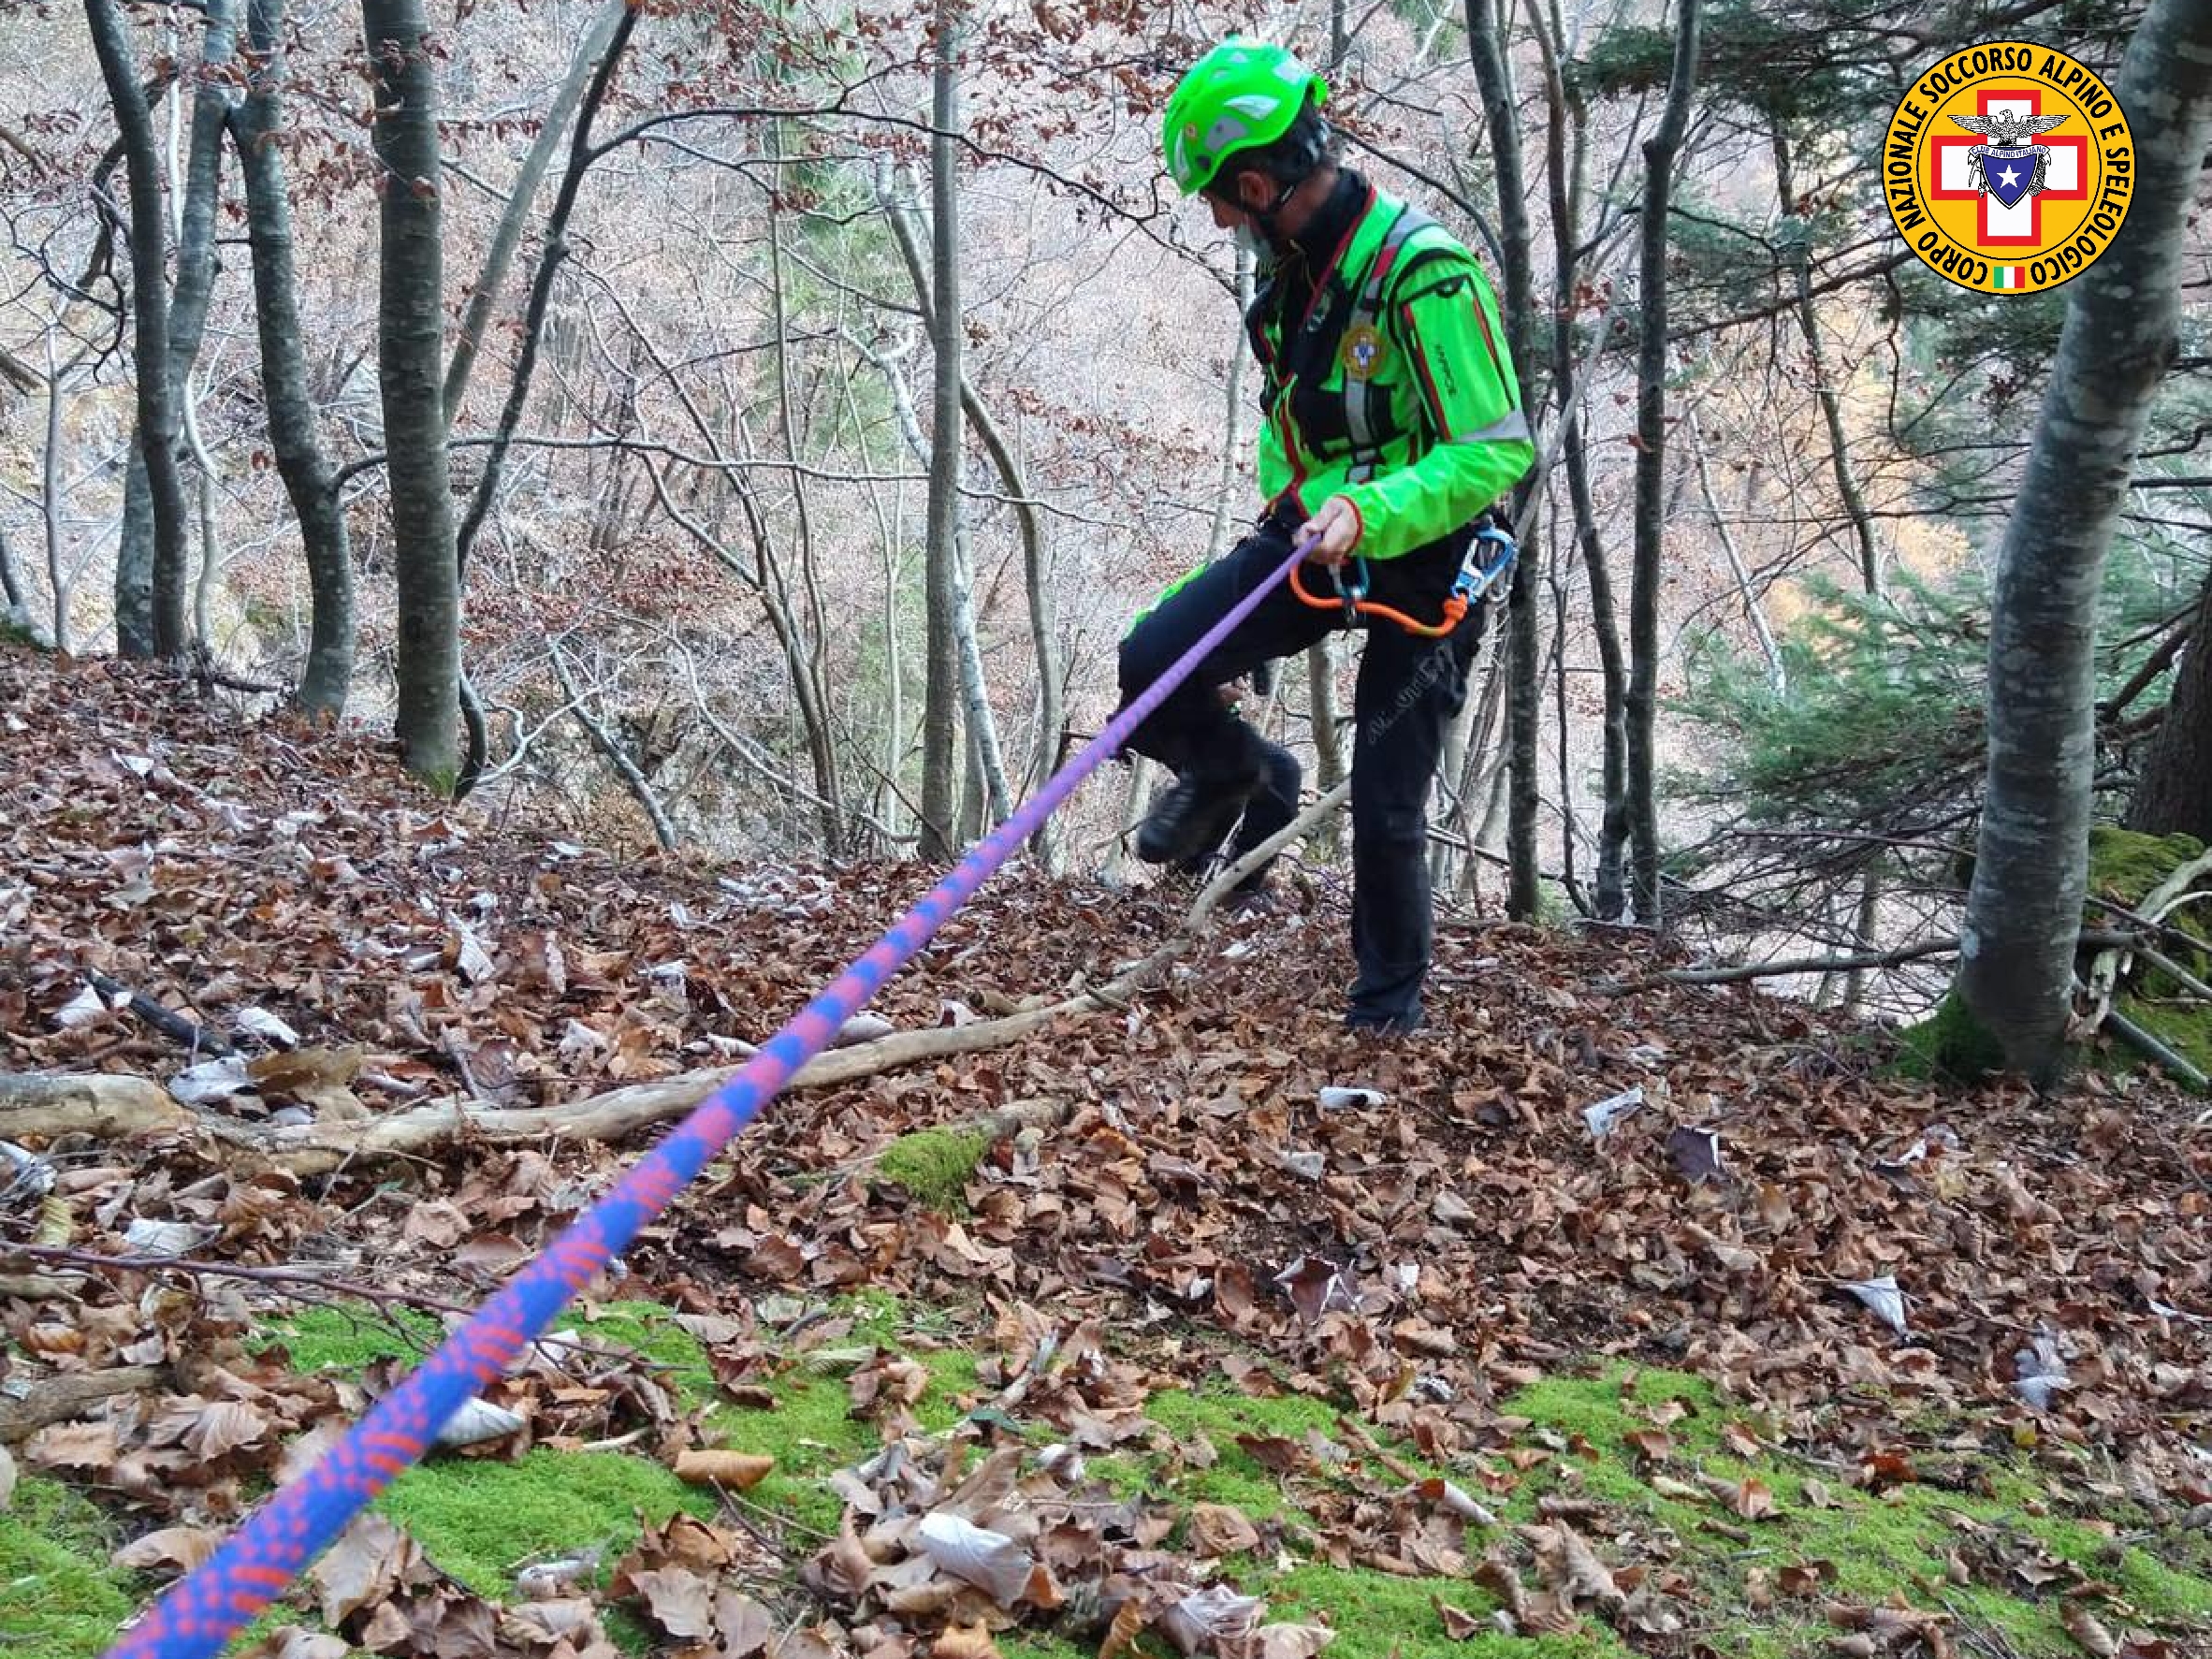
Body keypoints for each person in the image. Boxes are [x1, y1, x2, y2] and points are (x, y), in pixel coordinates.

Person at [1118, 38, 1535, 1033]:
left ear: (1258, 185)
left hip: (1431, 557)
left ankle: (1386, 1013)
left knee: (1387, 806)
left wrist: (1372, 511)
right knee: (1154, 662)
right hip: (1315, 537)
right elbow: (1293, 425)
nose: (1219, 220)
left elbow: (1495, 451)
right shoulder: (1289, 279)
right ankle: (1244, 773)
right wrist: (1291, 513)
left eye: (1220, 200)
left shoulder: (1424, 274)